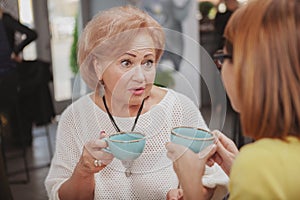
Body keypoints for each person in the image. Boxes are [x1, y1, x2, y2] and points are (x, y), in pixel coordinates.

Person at [45, 5, 228, 200]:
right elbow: (62, 196)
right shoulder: (75, 117)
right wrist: (84, 170)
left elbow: (211, 180)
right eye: (126, 62)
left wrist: (187, 194)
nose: (140, 77)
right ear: (98, 66)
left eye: (148, 62)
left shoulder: (179, 108)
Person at [166, 0, 300, 199]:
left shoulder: (260, 167)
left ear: (250, 68)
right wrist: (240, 171)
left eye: (223, 57)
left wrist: (191, 185)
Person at [0, 6, 37, 146]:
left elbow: (32, 34)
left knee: (16, 108)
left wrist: (15, 51)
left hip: (9, 76)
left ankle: (20, 141)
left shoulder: (6, 20)